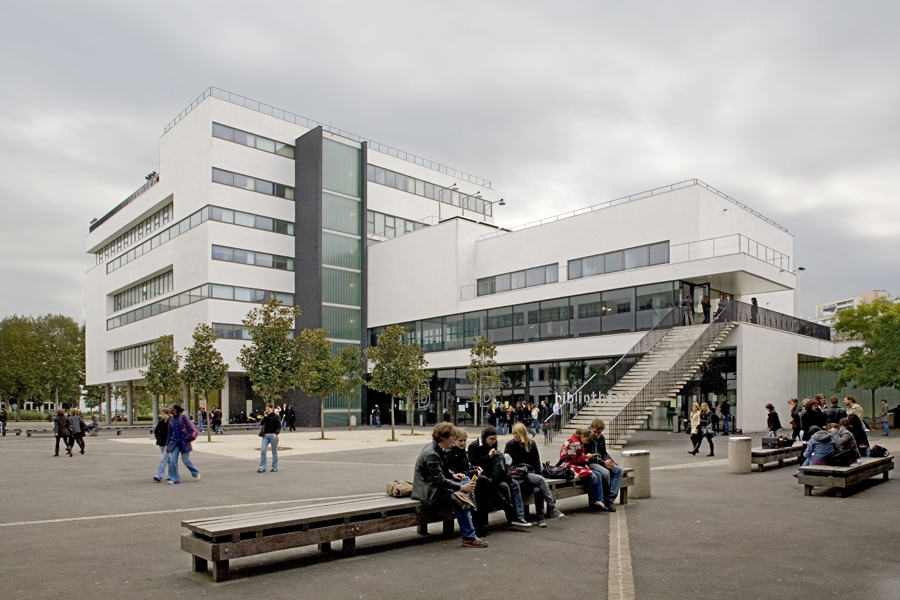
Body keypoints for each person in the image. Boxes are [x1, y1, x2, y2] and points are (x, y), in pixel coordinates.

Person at [412, 422, 486, 548]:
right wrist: (461, 487)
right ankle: (469, 537)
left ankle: (464, 498)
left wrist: (453, 475)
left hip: (436, 487)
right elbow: (439, 480)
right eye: (452, 436)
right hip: (430, 492)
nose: (454, 439)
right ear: (444, 438)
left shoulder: (438, 448)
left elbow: (444, 471)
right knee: (460, 498)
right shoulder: (431, 454)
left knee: (465, 480)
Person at [448, 428, 530, 535]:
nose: (463, 443)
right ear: (454, 441)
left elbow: (469, 467)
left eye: (464, 440)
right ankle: (507, 509)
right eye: (460, 441)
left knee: (510, 484)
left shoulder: (463, 451)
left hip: (488, 477)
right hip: (467, 481)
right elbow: (459, 471)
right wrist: (485, 459)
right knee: (489, 484)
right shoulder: (461, 450)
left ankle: (514, 516)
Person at [504, 423, 564, 525]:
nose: (515, 436)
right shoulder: (510, 445)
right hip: (518, 475)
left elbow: (536, 462)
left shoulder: (531, 444)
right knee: (541, 480)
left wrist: (538, 473)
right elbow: (507, 463)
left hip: (529, 474)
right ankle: (552, 507)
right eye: (513, 433)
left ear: (522, 433)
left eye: (517, 433)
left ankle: (540, 517)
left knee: (538, 489)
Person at [558, 428, 607, 511]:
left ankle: (599, 501)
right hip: (568, 467)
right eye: (587, 440)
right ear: (582, 436)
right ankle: (592, 503)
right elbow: (572, 461)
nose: (587, 442)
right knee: (593, 477)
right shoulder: (572, 443)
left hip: (577, 465)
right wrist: (586, 457)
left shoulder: (579, 443)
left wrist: (585, 462)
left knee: (598, 474)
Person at [585, 419, 623, 511]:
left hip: (600, 461)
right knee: (605, 473)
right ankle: (606, 498)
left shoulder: (601, 438)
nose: (596, 434)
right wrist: (603, 463)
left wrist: (610, 461)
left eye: (599, 432)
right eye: (595, 432)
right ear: (591, 428)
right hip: (590, 462)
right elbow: (588, 456)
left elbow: (603, 452)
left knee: (619, 471)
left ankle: (610, 499)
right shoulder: (587, 437)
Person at [166, 404, 200, 484]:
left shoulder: (183, 417)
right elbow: (169, 432)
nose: (170, 410)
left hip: (184, 442)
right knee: (172, 461)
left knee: (185, 460)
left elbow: (190, 428)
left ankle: (195, 472)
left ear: (175, 410)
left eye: (171, 408)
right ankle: (175, 479)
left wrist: (187, 437)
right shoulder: (171, 419)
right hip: (174, 443)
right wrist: (168, 442)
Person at [258, 404, 281, 473]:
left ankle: (274, 467)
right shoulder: (266, 417)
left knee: (274, 452)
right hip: (266, 435)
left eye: (268, 409)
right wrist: (265, 417)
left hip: (273, 435)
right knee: (263, 450)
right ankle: (262, 467)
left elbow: (278, 426)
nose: (267, 410)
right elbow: (261, 423)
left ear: (272, 409)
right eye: (266, 409)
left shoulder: (276, 416)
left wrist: (276, 433)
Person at [153, 408, 171, 482]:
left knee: (164, 458)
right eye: (161, 414)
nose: (162, 416)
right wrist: (158, 439)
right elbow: (156, 431)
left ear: (167, 414)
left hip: (168, 443)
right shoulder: (161, 422)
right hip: (161, 443)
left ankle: (159, 475)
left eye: (163, 414)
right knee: (168, 459)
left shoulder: (171, 422)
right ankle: (171, 474)